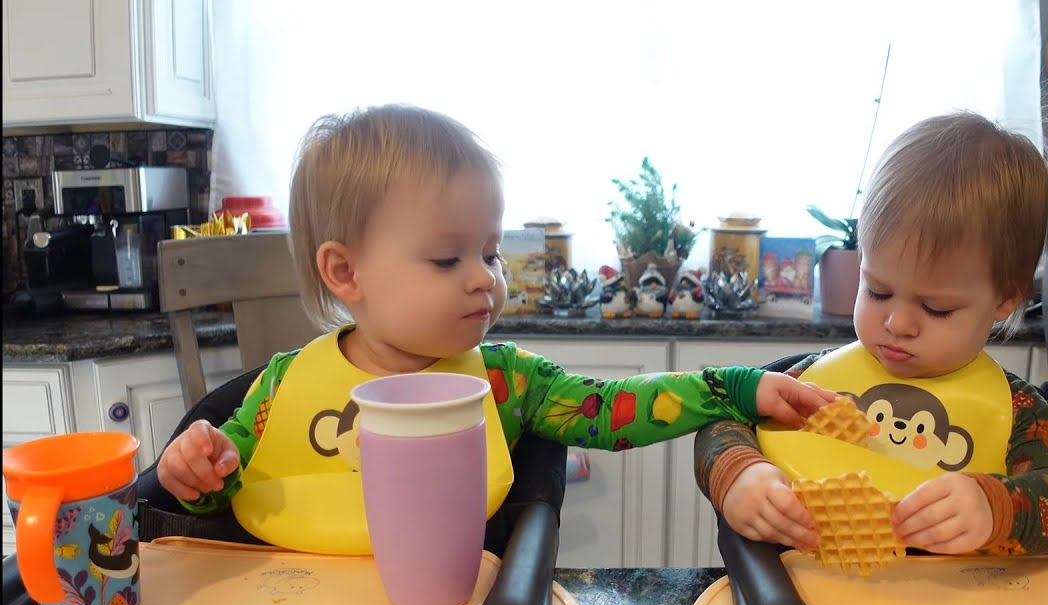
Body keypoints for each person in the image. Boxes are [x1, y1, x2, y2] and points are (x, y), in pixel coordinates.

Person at [156, 104, 834, 524]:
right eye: (449, 261)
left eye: (491, 254)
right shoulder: (279, 389)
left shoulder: (507, 382)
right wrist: (197, 470)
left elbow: (614, 409)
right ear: (346, 273)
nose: (486, 279)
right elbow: (223, 500)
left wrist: (742, 388)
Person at [695, 112, 1048, 556]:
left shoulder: (1018, 412)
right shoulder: (812, 381)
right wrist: (740, 473)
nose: (897, 324)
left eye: (935, 307)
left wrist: (995, 507)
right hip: (814, 600)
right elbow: (723, 421)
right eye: (878, 291)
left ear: (1005, 298)